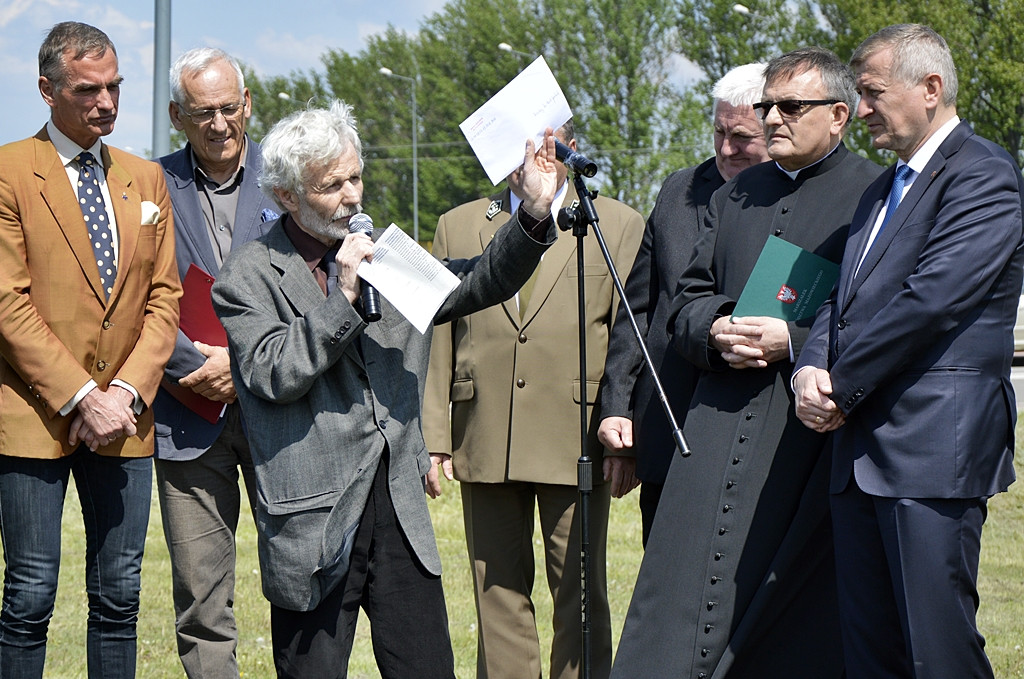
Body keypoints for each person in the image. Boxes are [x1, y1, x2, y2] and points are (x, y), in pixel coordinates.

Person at [210, 100, 560, 678]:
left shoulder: (385, 255)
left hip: (398, 506)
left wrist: (533, 214)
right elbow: (273, 372)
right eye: (332, 185)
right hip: (315, 521)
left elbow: (474, 283)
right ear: (286, 196)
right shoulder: (249, 274)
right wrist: (342, 300)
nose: (352, 195)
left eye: (355, 177)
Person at [610, 47, 883, 679]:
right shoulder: (739, 194)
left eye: (790, 107)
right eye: (767, 106)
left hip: (806, 432)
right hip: (713, 422)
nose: (771, 120)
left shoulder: (872, 194)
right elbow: (684, 302)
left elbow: (883, 319)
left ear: (839, 115)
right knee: (677, 598)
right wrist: (718, 327)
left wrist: (795, 339)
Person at [794, 24, 1023, 679]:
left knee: (938, 650)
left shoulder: (983, 175)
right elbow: (840, 300)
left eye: (871, 93)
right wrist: (809, 366)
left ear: (930, 88)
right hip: (860, 455)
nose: (860, 109)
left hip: (931, 453)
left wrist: (838, 385)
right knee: (872, 653)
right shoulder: (879, 191)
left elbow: (932, 301)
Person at [422, 119, 643, 679]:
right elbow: (438, 334)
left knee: (581, 596)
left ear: (567, 144)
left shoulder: (616, 224)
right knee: (496, 596)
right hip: (485, 430)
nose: (528, 151)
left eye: (543, 138)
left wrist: (625, 436)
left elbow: (629, 337)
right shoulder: (459, 224)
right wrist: (433, 437)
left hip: (578, 435)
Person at [0, 21, 180, 678]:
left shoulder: (145, 179)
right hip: (32, 417)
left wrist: (124, 394)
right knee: (28, 595)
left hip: (126, 422)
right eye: (87, 90)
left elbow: (164, 300)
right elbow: (7, 302)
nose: (105, 103)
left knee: (120, 596)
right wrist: (82, 394)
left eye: (114, 87)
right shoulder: (8, 172)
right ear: (47, 90)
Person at [597, 63, 770, 545]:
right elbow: (638, 311)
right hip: (667, 423)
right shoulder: (678, 191)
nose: (726, 148)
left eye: (742, 137)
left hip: (749, 431)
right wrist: (617, 405)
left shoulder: (795, 199)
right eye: (719, 131)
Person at [154, 47, 280, 679]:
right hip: (186, 415)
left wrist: (245, 363)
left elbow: (320, 286)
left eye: (229, 107)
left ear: (247, 103)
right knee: (201, 603)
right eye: (203, 112)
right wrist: (190, 366)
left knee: (300, 584)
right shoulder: (148, 186)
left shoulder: (290, 177)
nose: (220, 123)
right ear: (178, 115)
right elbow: (130, 298)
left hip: (282, 414)